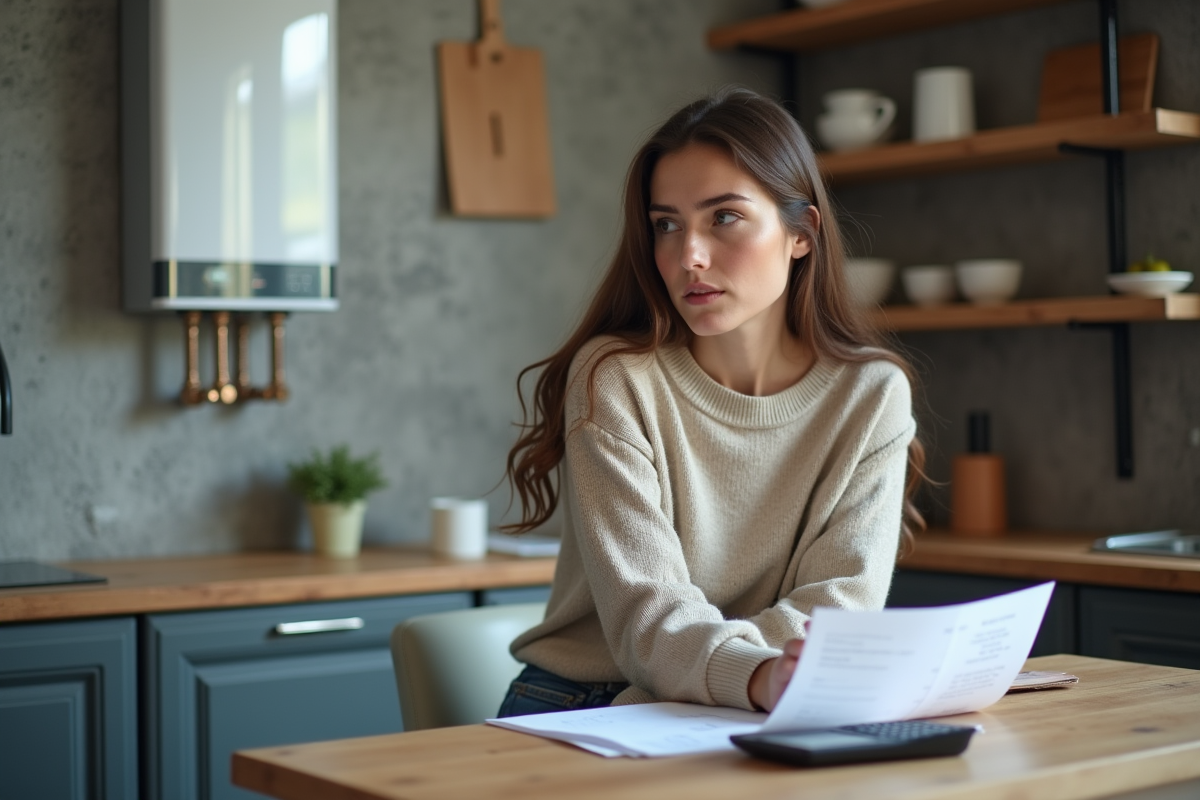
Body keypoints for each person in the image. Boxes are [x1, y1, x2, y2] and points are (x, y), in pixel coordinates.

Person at [496, 86, 925, 718]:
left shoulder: (871, 395)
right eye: (666, 225)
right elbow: (649, 614)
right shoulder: (617, 377)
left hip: (760, 698)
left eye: (723, 217)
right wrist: (752, 676)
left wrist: (742, 677)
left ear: (801, 231)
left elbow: (841, 607)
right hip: (586, 701)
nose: (687, 256)